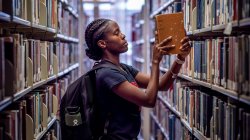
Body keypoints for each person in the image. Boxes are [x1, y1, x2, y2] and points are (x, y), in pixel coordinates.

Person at [84, 18, 191, 140]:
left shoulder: (122, 68)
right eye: (116, 33)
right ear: (102, 43)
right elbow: (148, 100)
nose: (123, 35)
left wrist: (180, 58)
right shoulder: (106, 74)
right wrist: (155, 62)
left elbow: (161, 85)